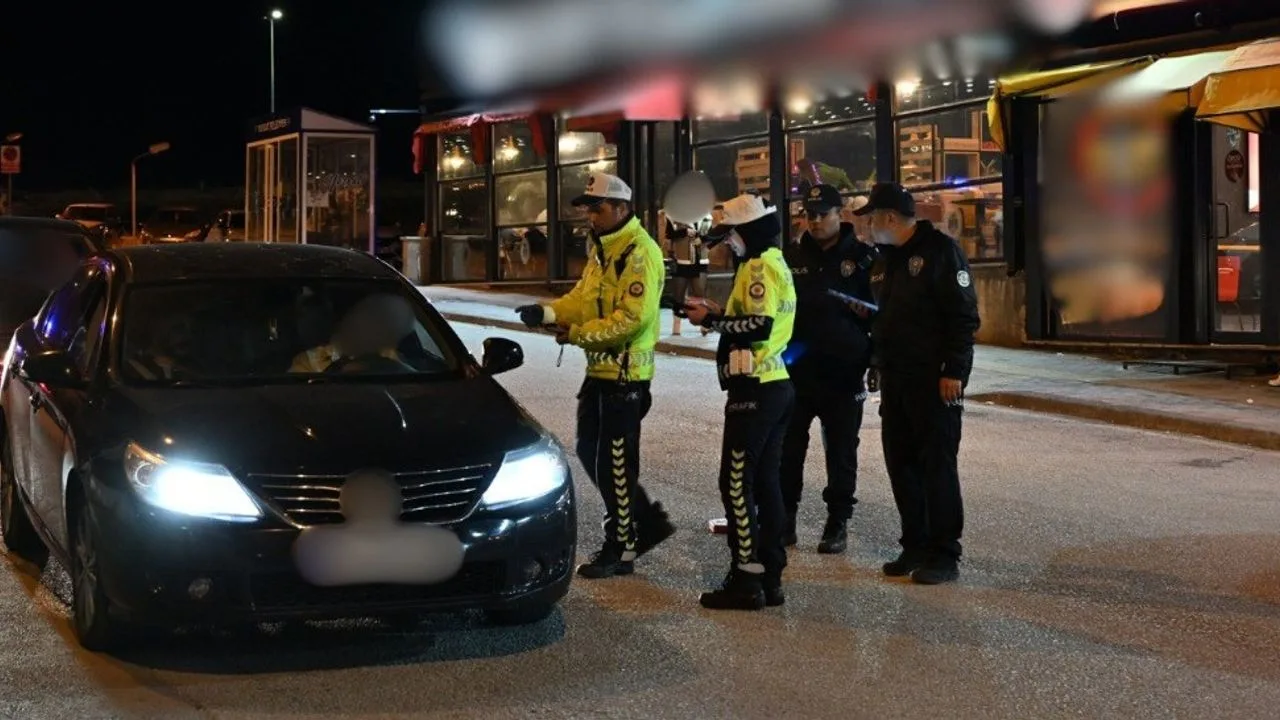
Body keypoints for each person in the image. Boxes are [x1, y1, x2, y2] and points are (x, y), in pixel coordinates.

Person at [515, 172, 676, 579]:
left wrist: (578, 335)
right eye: (587, 208)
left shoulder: (639, 252)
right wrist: (548, 312)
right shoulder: (604, 250)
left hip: (625, 376)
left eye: (598, 208)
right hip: (601, 372)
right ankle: (645, 521)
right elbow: (583, 300)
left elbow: (632, 320)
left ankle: (621, 547)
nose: (590, 216)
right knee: (591, 452)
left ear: (622, 209)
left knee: (614, 465)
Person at [855, 183, 980, 585]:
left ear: (890, 218)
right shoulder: (885, 260)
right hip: (897, 378)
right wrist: (875, 359)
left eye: (872, 218)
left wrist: (955, 372)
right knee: (902, 464)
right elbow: (883, 318)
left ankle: (944, 554)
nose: (869, 227)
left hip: (934, 379)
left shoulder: (941, 253)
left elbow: (963, 319)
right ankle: (915, 544)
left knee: (936, 466)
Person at [684, 193, 796, 610]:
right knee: (765, 484)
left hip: (757, 386)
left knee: (735, 483)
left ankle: (746, 579)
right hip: (773, 384)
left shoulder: (759, 266)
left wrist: (711, 319)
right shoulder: (770, 263)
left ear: (745, 232)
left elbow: (760, 326)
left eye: (730, 237)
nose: (728, 245)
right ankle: (769, 577)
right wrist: (717, 311)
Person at [779, 184, 878, 554]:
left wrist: (876, 359)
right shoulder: (789, 258)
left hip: (844, 372)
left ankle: (837, 522)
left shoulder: (865, 259)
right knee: (788, 451)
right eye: (810, 214)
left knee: (841, 453)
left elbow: (879, 315)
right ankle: (785, 519)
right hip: (796, 372)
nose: (816, 220)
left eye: (824, 213)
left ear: (841, 214)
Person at [661, 213, 709, 336]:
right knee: (678, 295)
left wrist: (702, 238)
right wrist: (684, 232)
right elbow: (669, 235)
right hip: (681, 260)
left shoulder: (707, 215)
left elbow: (712, 235)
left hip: (700, 260)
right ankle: (676, 327)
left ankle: (705, 324)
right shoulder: (673, 216)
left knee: (700, 294)